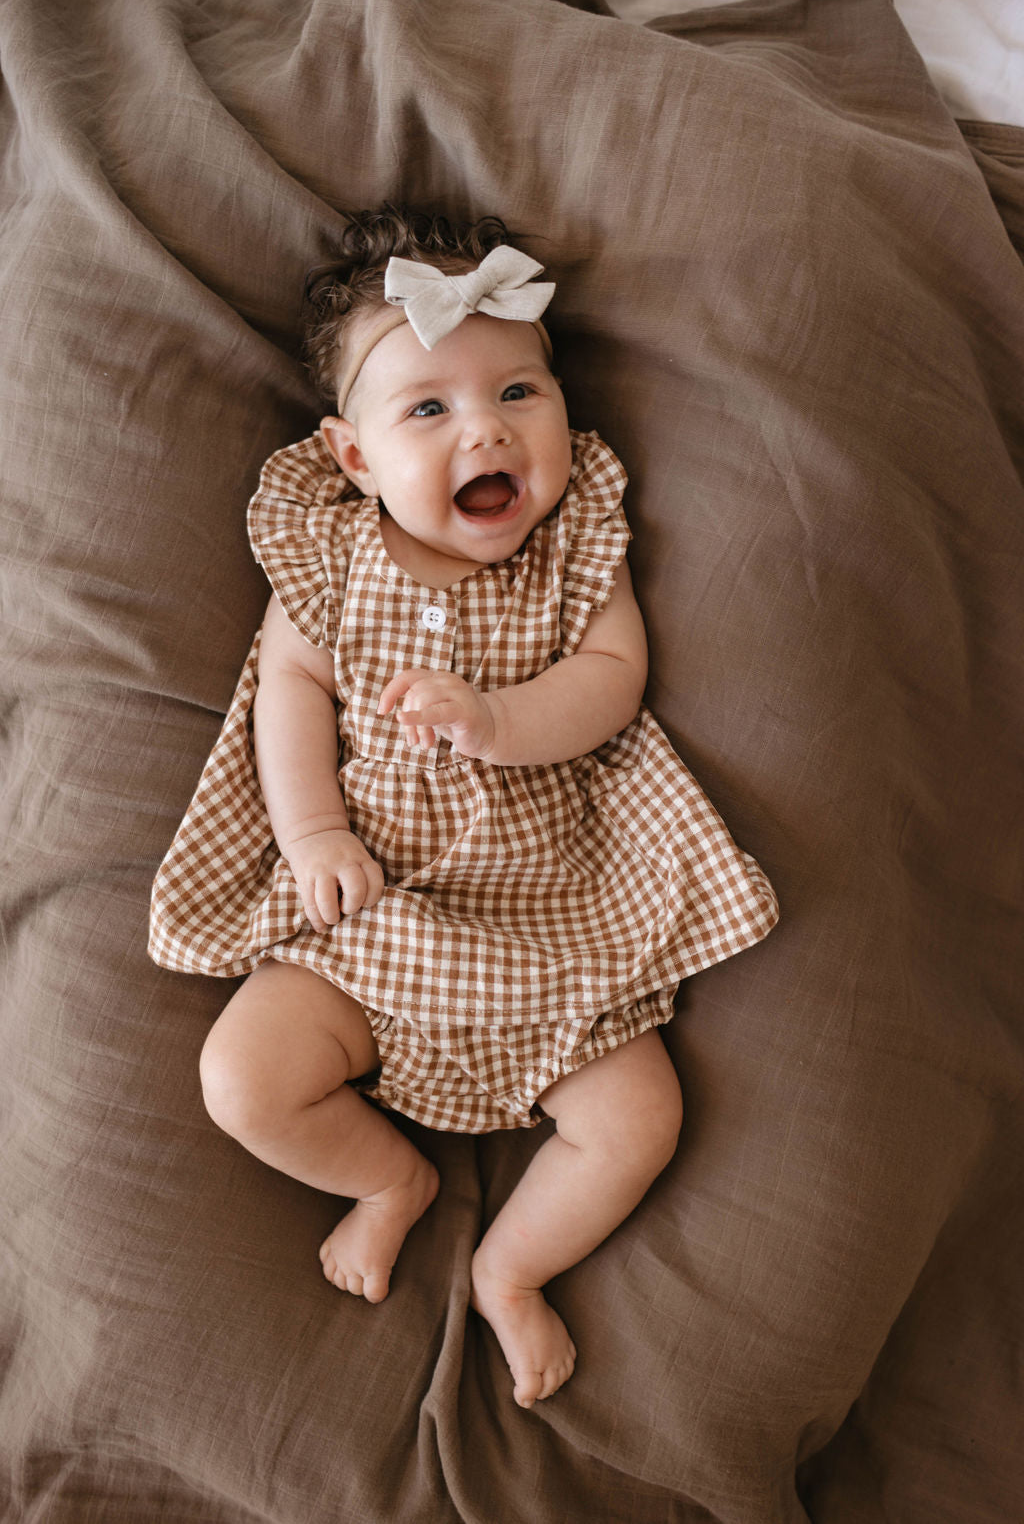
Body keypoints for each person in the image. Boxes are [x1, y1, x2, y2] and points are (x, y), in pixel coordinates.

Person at [149, 205, 778, 1409]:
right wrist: (314, 835)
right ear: (353, 459)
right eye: (427, 409)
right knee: (243, 1078)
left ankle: (514, 1266)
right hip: (367, 915)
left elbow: (613, 681)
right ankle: (389, 1180)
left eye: (519, 393)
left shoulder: (575, 546)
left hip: (547, 917)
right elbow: (285, 688)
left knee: (640, 1114)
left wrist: (500, 719)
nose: (485, 428)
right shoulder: (332, 557)